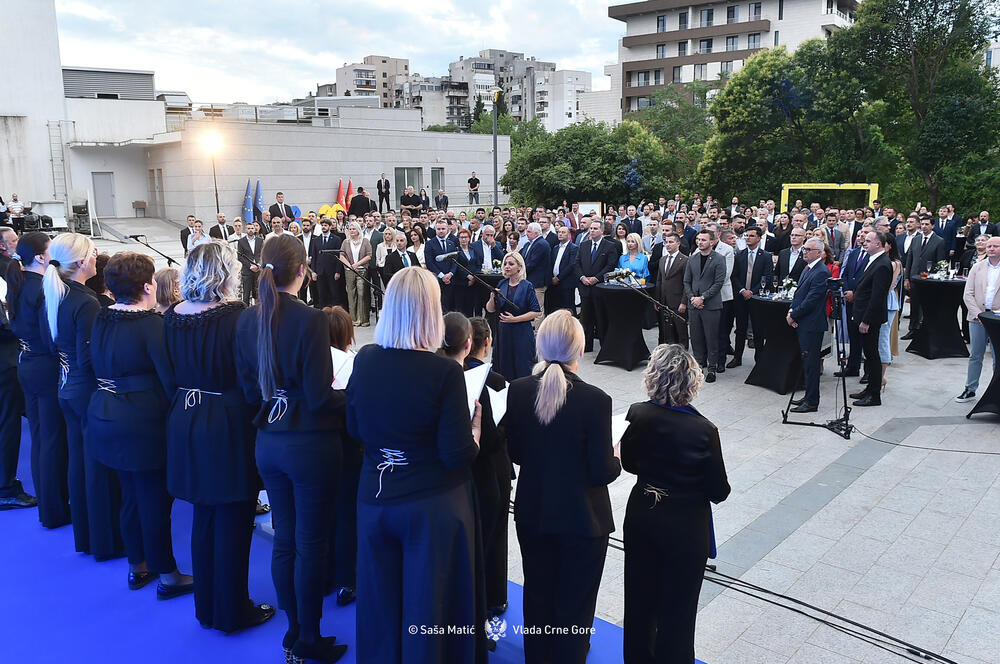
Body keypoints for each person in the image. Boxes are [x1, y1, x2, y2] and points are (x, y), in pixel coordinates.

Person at [346, 267, 486, 663]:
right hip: (430, 505)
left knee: (380, 605)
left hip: (375, 497)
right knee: (429, 611)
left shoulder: (367, 359)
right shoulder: (444, 371)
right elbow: (457, 455)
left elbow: (355, 427)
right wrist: (475, 432)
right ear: (432, 312)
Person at [234, 235, 348, 663]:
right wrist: (352, 394)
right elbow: (320, 398)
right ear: (304, 270)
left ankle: (294, 631)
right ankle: (309, 639)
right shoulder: (310, 319)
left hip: (269, 442)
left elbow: (250, 390)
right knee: (311, 542)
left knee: (285, 539)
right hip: (308, 444)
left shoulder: (248, 319)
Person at [164, 242, 274, 634]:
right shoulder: (237, 315)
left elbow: (167, 375)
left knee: (204, 514)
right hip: (226, 422)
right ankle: (232, 611)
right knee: (233, 516)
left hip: (185, 417)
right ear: (225, 273)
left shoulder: (173, 314)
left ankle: (207, 605)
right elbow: (252, 379)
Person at [505, 310, 622, 664]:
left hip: (534, 512)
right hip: (582, 520)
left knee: (538, 592)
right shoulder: (596, 400)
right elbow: (602, 472)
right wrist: (615, 454)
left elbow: (518, 453)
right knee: (576, 600)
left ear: (540, 345)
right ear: (580, 348)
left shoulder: (520, 390)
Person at [86, 252, 194, 596]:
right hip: (141, 422)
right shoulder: (153, 324)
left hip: (105, 413)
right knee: (154, 501)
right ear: (149, 286)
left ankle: (138, 565)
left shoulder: (102, 316)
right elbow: (170, 381)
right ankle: (168, 575)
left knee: (131, 496)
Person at [621, 344, 730, 664]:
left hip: (643, 516)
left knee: (639, 603)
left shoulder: (636, 413)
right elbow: (719, 490)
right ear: (691, 381)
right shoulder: (704, 429)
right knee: (679, 613)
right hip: (685, 528)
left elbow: (629, 463)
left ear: (653, 376)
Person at [45, 233, 122, 557]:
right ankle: (104, 542)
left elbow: (56, 347)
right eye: (92, 254)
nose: (96, 259)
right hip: (87, 390)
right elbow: (92, 357)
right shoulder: (85, 302)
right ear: (80, 262)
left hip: (66, 387)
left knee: (79, 460)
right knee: (99, 466)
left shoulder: (57, 294)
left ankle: (86, 536)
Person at [4, 232, 61, 517]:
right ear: (41, 257)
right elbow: (50, 336)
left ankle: (50, 504)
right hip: (44, 365)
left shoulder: (18, 283)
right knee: (50, 437)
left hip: (26, 361)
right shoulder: (40, 288)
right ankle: (53, 507)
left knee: (41, 435)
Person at [465, 317, 511, 617]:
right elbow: (497, 432)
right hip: (490, 465)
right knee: (494, 534)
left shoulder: (452, 371)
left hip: (463, 466)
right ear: (488, 342)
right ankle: (493, 596)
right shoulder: (493, 380)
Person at [321, 306, 361, 605]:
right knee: (347, 514)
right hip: (348, 450)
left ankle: (325, 574)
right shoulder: (351, 365)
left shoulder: (310, 363)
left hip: (318, 447)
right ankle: (348, 580)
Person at [847, 231, 893, 407]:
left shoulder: (882, 264)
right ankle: (870, 388)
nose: (864, 243)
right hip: (863, 313)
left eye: (868, 241)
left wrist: (866, 320)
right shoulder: (873, 260)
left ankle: (874, 394)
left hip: (870, 318)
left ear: (879, 244)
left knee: (872, 355)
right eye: (864, 240)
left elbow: (877, 297)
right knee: (868, 353)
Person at [787, 238, 832, 413]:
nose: (804, 251)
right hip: (804, 321)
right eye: (804, 248)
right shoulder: (808, 268)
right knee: (806, 362)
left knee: (811, 364)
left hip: (812, 324)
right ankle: (808, 395)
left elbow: (812, 300)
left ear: (819, 253)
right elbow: (799, 294)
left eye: (809, 249)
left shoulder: (821, 271)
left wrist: (793, 314)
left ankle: (812, 401)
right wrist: (792, 310)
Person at [956, 236, 1000, 402]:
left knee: (998, 357)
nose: (991, 249)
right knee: (976, 355)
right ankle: (970, 388)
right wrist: (978, 315)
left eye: (995, 246)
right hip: (977, 318)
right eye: (989, 246)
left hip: (997, 319)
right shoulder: (977, 267)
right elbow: (968, 294)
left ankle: (996, 391)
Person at [487, 252, 542, 381]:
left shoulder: (527, 285)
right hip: (503, 332)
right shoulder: (502, 283)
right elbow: (490, 309)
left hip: (521, 332)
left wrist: (514, 319)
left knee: (522, 364)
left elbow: (536, 311)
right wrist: (492, 298)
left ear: (519, 266)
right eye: (505, 263)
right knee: (503, 364)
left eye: (511, 264)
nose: (507, 266)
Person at [683, 230, 726, 383]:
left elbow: (718, 283)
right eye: (698, 239)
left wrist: (702, 298)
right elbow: (687, 281)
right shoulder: (692, 259)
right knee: (696, 337)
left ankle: (712, 368)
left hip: (711, 305)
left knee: (711, 337)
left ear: (712, 242)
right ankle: (698, 365)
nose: (700, 242)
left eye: (703, 240)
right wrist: (692, 298)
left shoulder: (719, 259)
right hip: (693, 305)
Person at [728, 226, 774, 367]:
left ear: (759, 238)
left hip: (757, 298)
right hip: (741, 297)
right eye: (747, 235)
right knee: (740, 329)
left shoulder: (765, 256)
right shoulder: (739, 255)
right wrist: (742, 290)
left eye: (752, 236)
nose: (748, 238)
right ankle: (737, 357)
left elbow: (767, 277)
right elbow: (734, 276)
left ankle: (759, 359)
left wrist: (752, 292)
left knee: (758, 329)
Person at [901, 217, 946, 339]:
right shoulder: (916, 239)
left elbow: (940, 262)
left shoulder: (939, 241)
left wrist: (935, 277)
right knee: (914, 305)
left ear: (933, 226)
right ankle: (913, 329)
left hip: (929, 279)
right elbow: (910, 259)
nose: (924, 226)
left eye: (927, 224)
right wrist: (907, 278)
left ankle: (927, 329)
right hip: (914, 277)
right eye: (922, 224)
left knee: (927, 305)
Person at [576, 220, 618, 352]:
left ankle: (604, 346)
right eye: (591, 228)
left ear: (601, 231)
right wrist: (582, 277)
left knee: (601, 318)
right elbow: (576, 263)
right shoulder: (583, 245)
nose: (592, 230)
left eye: (595, 228)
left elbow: (610, 265)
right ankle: (587, 345)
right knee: (586, 318)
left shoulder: (609, 246)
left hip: (599, 288)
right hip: (585, 287)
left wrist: (596, 278)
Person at [652, 232, 689, 349]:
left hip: (678, 302)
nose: (668, 245)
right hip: (664, 301)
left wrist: (684, 302)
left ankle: (684, 356)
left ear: (678, 243)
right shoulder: (662, 260)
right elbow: (659, 281)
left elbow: (686, 283)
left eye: (671, 242)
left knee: (680, 331)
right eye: (666, 242)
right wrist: (657, 300)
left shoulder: (685, 260)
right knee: (667, 331)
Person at [877, 234, 903, 392]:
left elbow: (889, 285)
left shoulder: (895, 263)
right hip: (879, 301)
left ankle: (881, 376)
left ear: (890, 245)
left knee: (883, 338)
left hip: (886, 302)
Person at [340, 221, 372, 326]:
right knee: (351, 294)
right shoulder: (345, 242)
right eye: (350, 229)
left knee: (362, 293)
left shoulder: (365, 241)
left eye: (354, 229)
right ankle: (353, 319)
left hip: (361, 270)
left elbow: (369, 255)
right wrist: (350, 265)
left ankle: (363, 319)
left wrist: (357, 264)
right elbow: (342, 256)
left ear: (358, 230)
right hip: (349, 271)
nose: (352, 231)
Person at [521, 223, 552, 319]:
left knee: (538, 309)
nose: (526, 233)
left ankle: (539, 333)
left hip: (538, 282)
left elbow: (532, 263)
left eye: (529, 232)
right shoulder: (528, 244)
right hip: (530, 280)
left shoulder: (541, 244)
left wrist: (519, 271)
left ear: (536, 233)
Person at [449, 228, 483, 316]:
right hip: (460, 283)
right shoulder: (456, 250)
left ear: (469, 238)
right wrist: (467, 276)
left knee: (470, 308)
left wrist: (474, 277)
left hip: (473, 283)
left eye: (466, 237)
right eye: (461, 237)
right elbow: (456, 265)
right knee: (460, 309)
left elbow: (478, 264)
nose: (463, 239)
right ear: (458, 239)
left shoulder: (473, 250)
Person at [547, 225, 579, 315]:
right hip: (554, 282)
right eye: (559, 232)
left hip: (567, 283)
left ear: (569, 235)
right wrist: (553, 278)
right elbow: (552, 264)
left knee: (569, 308)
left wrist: (559, 278)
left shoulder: (574, 248)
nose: (560, 234)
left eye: (563, 232)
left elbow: (571, 265)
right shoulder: (555, 248)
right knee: (556, 308)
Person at [313, 219, 344, 309]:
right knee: (322, 294)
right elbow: (314, 256)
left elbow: (339, 256)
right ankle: (323, 314)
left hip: (332, 271)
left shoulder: (336, 239)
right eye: (322, 225)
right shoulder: (316, 240)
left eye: (326, 225)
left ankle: (336, 314)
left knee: (334, 294)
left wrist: (338, 271)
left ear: (330, 227)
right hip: (320, 272)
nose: (324, 227)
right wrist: (313, 272)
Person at [236, 220, 263, 306]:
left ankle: (259, 310)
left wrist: (258, 265)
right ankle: (245, 310)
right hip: (247, 270)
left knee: (258, 292)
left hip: (258, 269)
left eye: (252, 228)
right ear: (245, 230)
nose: (250, 230)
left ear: (255, 229)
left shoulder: (260, 240)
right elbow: (240, 256)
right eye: (248, 228)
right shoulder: (241, 241)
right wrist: (249, 265)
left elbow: (262, 254)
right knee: (246, 293)